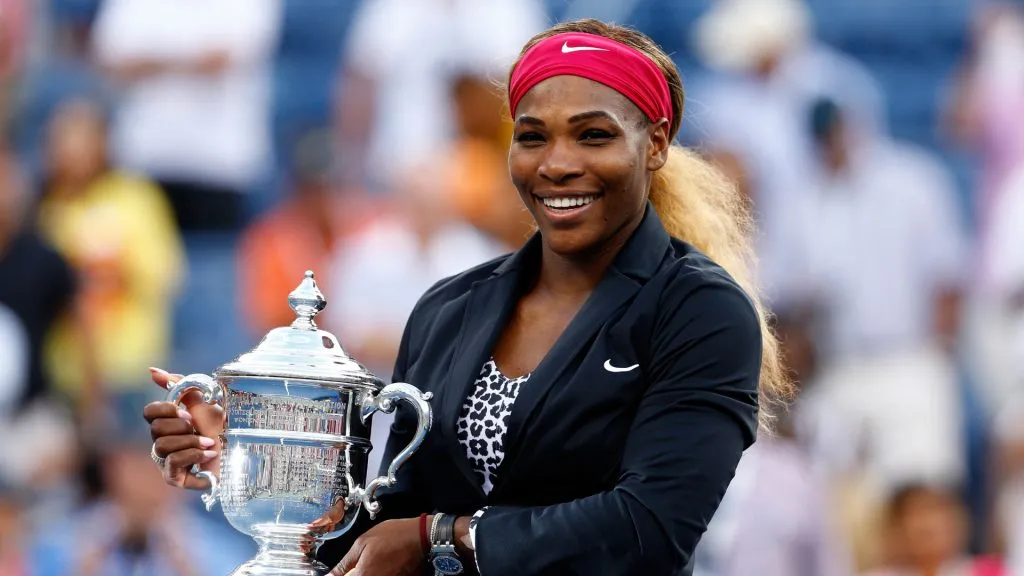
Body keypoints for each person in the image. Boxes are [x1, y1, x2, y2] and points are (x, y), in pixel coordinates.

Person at [144, 18, 789, 575]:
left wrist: (444, 537)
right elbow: (374, 516)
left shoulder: (702, 311)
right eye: (533, 136)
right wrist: (261, 455)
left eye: (593, 135)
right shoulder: (450, 308)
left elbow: (649, 528)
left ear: (654, 145)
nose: (556, 163)